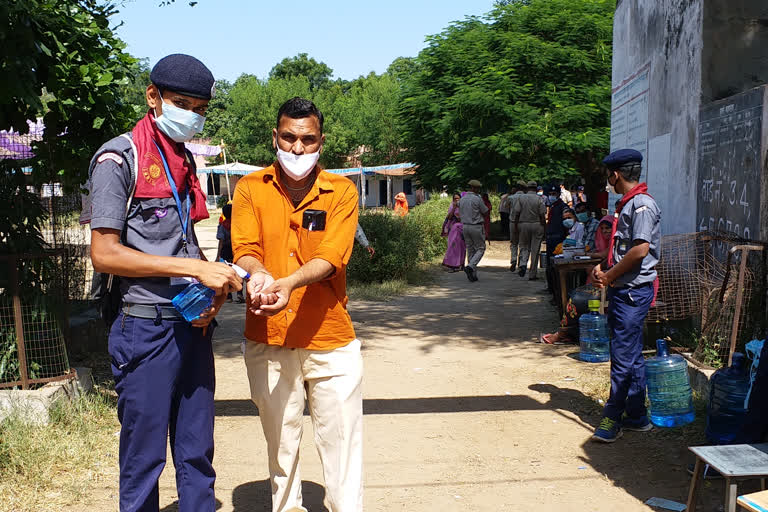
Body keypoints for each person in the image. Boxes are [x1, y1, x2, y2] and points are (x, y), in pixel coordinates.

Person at [87, 54, 242, 511]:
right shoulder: (119, 159)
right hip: (145, 330)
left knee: (197, 451)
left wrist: (211, 290)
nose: (191, 114)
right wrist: (196, 271)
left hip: (192, 324)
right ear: (152, 96)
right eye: (181, 102)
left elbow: (182, 244)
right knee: (145, 456)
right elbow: (104, 253)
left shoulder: (182, 159)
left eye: (200, 107)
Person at [231, 97, 363, 511]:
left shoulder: (341, 191)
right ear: (275, 137)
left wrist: (287, 282)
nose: (297, 148)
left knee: (343, 449)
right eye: (288, 138)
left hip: (331, 340)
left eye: (307, 139)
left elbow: (332, 256)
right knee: (281, 449)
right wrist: (261, 276)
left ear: (321, 141)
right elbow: (245, 249)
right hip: (268, 337)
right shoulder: (250, 188)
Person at [591, 148, 661, 443]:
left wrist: (609, 275)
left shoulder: (641, 206)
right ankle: (637, 415)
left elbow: (639, 250)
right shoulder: (627, 205)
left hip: (633, 293)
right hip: (623, 290)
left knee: (621, 357)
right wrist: (604, 265)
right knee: (630, 355)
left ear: (615, 175)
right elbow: (622, 248)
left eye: (609, 176)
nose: (609, 182)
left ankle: (613, 416)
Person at [541, 215, 612, 345]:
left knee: (577, 299)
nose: (605, 231)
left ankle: (563, 333)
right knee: (575, 293)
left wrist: (599, 270)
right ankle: (569, 332)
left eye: (608, 228)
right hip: (605, 281)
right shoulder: (606, 244)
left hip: (613, 284)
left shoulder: (616, 244)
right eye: (602, 229)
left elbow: (606, 258)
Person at [511, 181, 546, 279]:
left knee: (523, 245)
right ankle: (532, 274)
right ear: (536, 189)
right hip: (537, 224)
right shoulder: (540, 199)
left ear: (527, 188)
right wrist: (545, 230)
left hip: (523, 224)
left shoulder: (521, 198)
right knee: (535, 249)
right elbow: (542, 216)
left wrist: (516, 226)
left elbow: (517, 213)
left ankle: (523, 263)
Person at [459, 179, 488, 282]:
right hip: (476, 226)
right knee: (481, 248)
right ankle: (470, 267)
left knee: (470, 249)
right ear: (473, 188)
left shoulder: (462, 199)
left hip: (465, 226)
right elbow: (485, 211)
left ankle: (473, 275)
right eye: (477, 188)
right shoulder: (477, 199)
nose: (478, 190)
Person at [217, 202, 245, 303]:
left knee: (227, 273)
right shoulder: (238, 224)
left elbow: (221, 241)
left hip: (225, 251)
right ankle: (240, 294)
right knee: (239, 272)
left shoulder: (222, 226)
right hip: (235, 250)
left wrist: (218, 255)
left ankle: (228, 296)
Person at [545, 185, 568, 292]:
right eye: (550, 194)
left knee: (555, 265)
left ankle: (555, 289)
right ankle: (551, 287)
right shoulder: (553, 206)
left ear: (559, 195)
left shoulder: (562, 207)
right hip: (550, 237)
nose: (551, 196)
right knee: (549, 264)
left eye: (554, 194)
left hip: (558, 238)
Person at [441, 193, 466, 272]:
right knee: (453, 246)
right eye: (455, 199)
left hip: (462, 228)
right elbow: (449, 217)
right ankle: (453, 264)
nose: (457, 200)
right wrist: (454, 208)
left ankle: (462, 264)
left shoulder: (463, 206)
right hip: (453, 228)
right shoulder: (452, 206)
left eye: (458, 198)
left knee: (462, 247)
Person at [508, 182, 525, 272]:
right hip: (523, 223)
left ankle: (513, 260)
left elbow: (506, 208)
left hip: (512, 222)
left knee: (513, 243)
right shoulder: (526, 198)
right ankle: (521, 263)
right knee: (522, 243)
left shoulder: (511, 198)